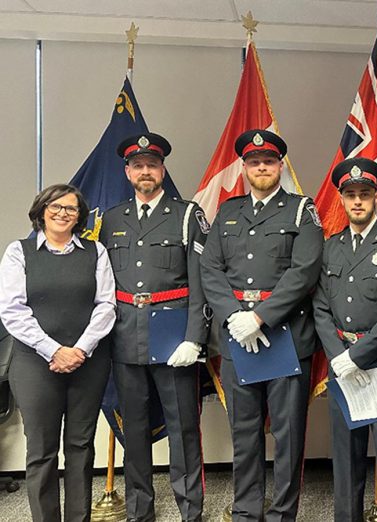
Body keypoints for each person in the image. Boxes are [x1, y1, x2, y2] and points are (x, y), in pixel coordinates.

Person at [200, 129, 323, 521]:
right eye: (254, 163)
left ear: (280, 166)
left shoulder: (302, 210)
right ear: (244, 168)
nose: (262, 168)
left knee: (288, 436)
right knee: (245, 431)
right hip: (238, 338)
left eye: (269, 162)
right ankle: (247, 510)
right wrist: (234, 316)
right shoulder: (229, 212)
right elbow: (211, 269)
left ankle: (284, 512)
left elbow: (304, 272)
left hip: (286, 338)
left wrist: (260, 316)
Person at [100, 133, 210, 522]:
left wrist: (195, 338)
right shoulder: (111, 219)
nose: (146, 172)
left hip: (174, 335)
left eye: (153, 165)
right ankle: (139, 511)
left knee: (183, 429)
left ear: (162, 170)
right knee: (133, 431)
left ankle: (190, 511)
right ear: (128, 172)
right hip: (125, 335)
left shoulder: (187, 214)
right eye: (138, 166)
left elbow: (202, 281)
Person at [0, 184, 116, 521]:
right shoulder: (18, 252)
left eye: (71, 208)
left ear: (80, 216)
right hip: (35, 365)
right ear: (42, 209)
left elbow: (106, 305)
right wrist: (54, 350)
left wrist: (79, 349)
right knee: (41, 451)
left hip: (88, 362)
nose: (63, 213)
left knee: (80, 447)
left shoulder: (95, 252)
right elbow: (12, 310)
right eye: (56, 206)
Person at [312, 157, 377, 521]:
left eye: (365, 194)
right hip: (344, 368)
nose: (358, 201)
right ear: (341, 198)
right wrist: (338, 355)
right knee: (346, 466)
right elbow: (320, 307)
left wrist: (359, 355)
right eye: (351, 194)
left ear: (376, 196)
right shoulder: (330, 246)